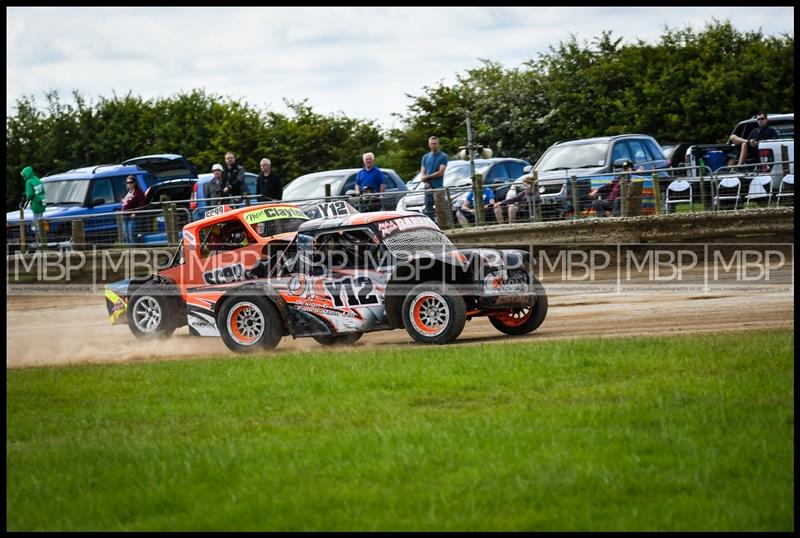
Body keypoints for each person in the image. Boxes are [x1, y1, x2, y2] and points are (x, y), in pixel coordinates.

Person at [420, 136, 448, 218]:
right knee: (428, 209)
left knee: (441, 209)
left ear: (438, 144)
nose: (433, 145)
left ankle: (443, 227)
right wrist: (427, 183)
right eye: (432, 144)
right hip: (427, 187)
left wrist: (427, 177)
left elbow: (440, 172)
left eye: (435, 143)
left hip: (438, 187)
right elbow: (422, 173)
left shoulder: (443, 156)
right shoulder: (425, 157)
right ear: (429, 144)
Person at [120, 175, 146, 244]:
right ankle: (130, 252)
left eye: (130, 182)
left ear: (134, 183)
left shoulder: (138, 192)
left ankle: (136, 252)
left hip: (133, 217)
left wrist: (136, 213)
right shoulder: (128, 193)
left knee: (132, 235)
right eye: (127, 182)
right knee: (126, 236)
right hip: (125, 217)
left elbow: (142, 204)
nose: (129, 184)